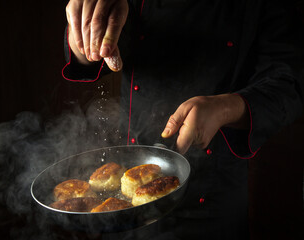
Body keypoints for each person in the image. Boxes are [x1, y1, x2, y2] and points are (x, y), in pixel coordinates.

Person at [62, 0, 304, 239]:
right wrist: (86, 35)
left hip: (211, 199)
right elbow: (107, 47)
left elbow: (290, 83)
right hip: (126, 204)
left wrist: (225, 108)